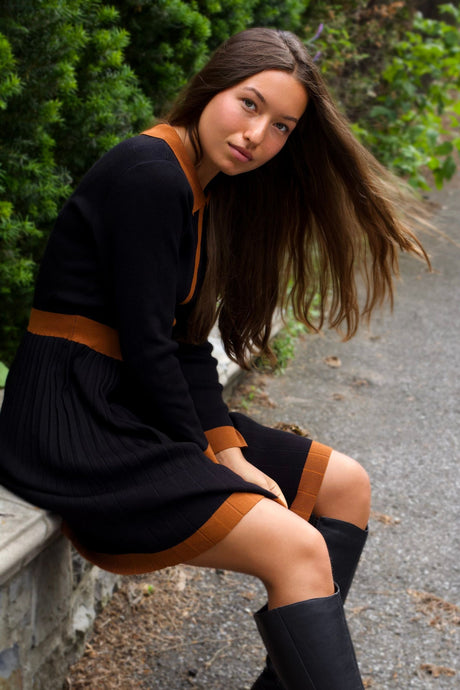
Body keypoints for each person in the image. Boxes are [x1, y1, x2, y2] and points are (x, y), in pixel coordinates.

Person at [0, 27, 429, 689]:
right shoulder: (151, 174)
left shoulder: (203, 188)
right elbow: (149, 347)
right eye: (249, 104)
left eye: (281, 126)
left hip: (125, 401)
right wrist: (214, 459)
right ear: (212, 86)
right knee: (297, 549)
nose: (257, 135)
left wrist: (226, 449)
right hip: (74, 420)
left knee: (345, 485)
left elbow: (185, 346)